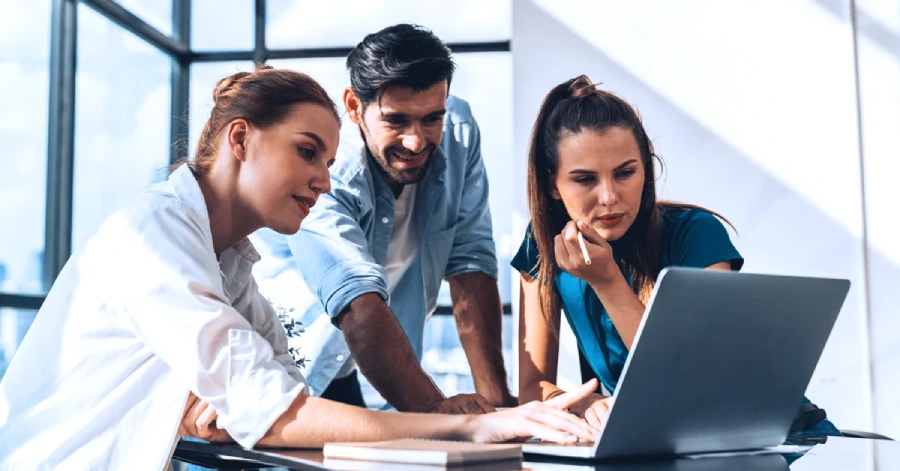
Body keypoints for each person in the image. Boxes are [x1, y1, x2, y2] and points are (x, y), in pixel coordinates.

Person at [0, 66, 599, 470]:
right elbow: (279, 413)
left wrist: (253, 413)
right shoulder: (154, 233)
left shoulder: (232, 264)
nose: (323, 178)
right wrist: (468, 430)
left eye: (331, 160)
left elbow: (289, 406)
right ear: (241, 138)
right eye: (306, 151)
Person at [513, 75, 840, 435]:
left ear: (646, 168)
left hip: (768, 434)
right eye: (585, 179)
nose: (608, 196)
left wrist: (608, 282)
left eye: (625, 173)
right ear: (551, 185)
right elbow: (532, 389)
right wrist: (583, 403)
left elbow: (692, 382)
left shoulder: (696, 234)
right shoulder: (541, 244)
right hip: (656, 440)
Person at [252, 24, 515, 413]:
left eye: (431, 118)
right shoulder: (326, 174)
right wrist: (435, 414)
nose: (416, 141)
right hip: (287, 359)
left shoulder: (458, 131)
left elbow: (470, 262)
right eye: (396, 120)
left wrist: (498, 405)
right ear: (354, 107)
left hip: (358, 361)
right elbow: (356, 302)